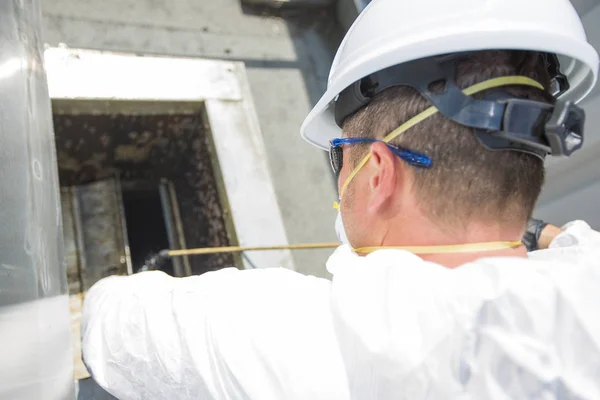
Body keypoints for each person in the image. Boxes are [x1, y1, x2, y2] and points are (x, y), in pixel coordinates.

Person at [81, 0, 600, 398]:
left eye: (340, 159)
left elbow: (108, 322)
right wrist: (536, 237)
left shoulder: (295, 341)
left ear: (376, 173)